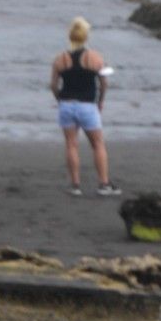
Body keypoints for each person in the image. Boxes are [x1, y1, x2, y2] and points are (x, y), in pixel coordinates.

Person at [50, 16, 120, 197]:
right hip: (87, 105)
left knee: (71, 145)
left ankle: (75, 185)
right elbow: (104, 83)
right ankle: (104, 183)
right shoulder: (95, 57)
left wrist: (60, 100)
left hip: (67, 104)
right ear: (85, 36)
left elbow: (53, 85)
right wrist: (101, 101)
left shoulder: (60, 58)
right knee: (97, 144)